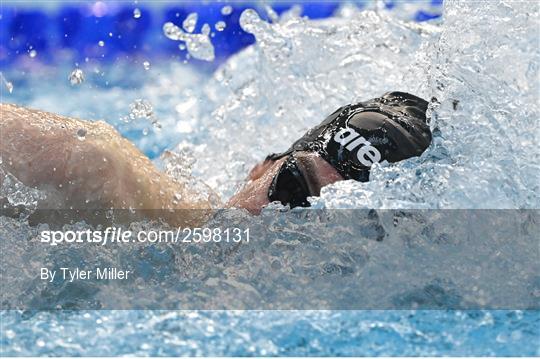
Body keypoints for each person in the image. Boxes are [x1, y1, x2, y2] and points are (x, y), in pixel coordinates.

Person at [0, 92, 431, 225]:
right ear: (260, 169)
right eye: (295, 189)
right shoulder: (103, 176)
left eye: (337, 221)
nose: (294, 222)